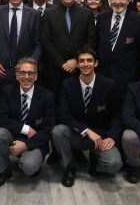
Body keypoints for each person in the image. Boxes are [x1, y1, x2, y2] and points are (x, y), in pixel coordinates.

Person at [51, 47, 123, 187]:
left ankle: (95, 160)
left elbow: (116, 115)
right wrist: (87, 131)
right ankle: (70, 166)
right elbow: (63, 114)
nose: (86, 64)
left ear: (96, 63)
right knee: (58, 131)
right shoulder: (67, 84)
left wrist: (112, 137)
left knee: (114, 164)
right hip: (77, 133)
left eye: (89, 60)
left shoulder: (109, 85)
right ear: (77, 64)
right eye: (82, 61)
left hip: (100, 137)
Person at [0, 57, 55, 186]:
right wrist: (26, 129)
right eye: (22, 73)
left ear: (36, 76)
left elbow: (48, 129)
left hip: (35, 141)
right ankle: (3, 170)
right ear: (16, 75)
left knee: (29, 167)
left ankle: (29, 161)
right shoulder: (7, 91)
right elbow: (0, 119)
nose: (26, 77)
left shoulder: (47, 96)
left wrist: (26, 145)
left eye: (30, 73)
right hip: (14, 135)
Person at [41, 0, 96, 96]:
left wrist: (76, 60)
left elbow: (91, 40)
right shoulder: (49, 13)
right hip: (54, 70)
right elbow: (46, 41)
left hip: (79, 69)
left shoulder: (86, 13)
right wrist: (62, 63)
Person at [96, 0, 140, 97]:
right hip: (102, 76)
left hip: (127, 78)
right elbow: (96, 44)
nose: (117, 2)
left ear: (128, 0)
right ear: (110, 0)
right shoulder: (101, 17)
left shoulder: (139, 21)